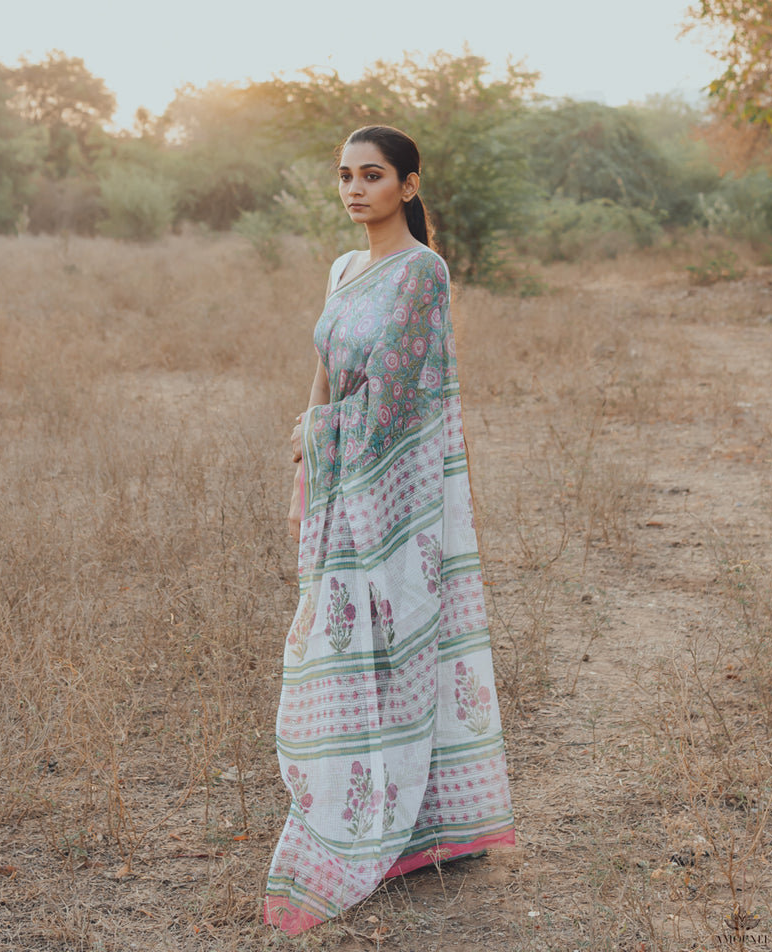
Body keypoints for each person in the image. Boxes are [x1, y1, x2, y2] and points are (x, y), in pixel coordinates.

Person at [264, 125, 515, 934]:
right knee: (338, 641)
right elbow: (329, 368)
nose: (353, 189)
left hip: (396, 488)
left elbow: (403, 398)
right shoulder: (344, 269)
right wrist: (309, 427)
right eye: (344, 175)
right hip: (341, 480)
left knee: (399, 639)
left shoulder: (423, 272)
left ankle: (419, 823)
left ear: (408, 185)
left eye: (372, 175)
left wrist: (330, 431)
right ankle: (364, 799)